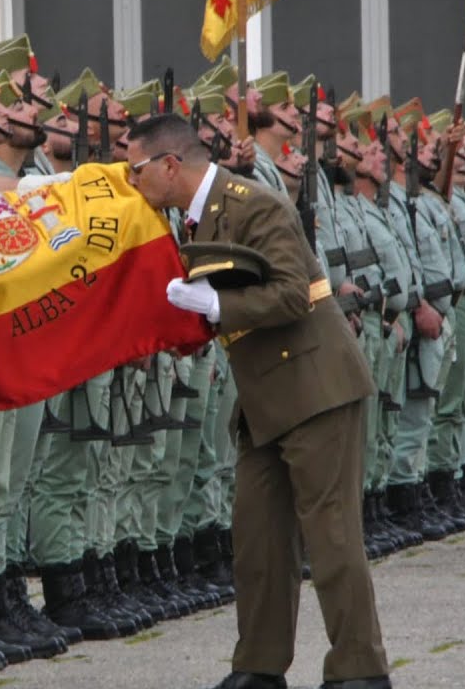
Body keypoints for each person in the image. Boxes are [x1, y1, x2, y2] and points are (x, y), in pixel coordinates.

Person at [124, 112, 390, 689]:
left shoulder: (253, 202)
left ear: (170, 165)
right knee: (258, 537)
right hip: (264, 395)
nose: (131, 180)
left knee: (331, 534)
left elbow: (293, 294)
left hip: (313, 386)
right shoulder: (187, 218)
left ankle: (359, 671)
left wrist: (216, 309)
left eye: (135, 168)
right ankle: (260, 667)